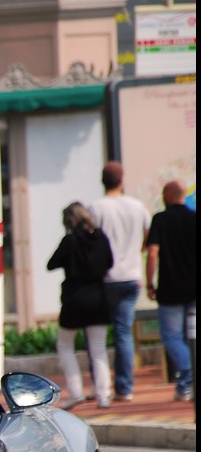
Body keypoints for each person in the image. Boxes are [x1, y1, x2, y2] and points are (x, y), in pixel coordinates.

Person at [89, 161, 152, 401]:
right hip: (131, 277)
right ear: (122, 180)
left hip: (105, 279)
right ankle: (124, 388)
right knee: (124, 332)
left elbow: (90, 240)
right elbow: (148, 237)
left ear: (102, 180)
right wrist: (138, 251)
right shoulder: (137, 207)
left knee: (98, 336)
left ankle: (101, 388)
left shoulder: (96, 208)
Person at [47, 202, 114, 409]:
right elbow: (110, 263)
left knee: (65, 345)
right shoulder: (101, 237)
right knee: (98, 349)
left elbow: (51, 264)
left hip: (74, 299)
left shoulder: (70, 241)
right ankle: (104, 395)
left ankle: (75, 392)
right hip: (98, 298)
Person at [145, 179, 196, 402]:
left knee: (172, 336)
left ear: (167, 195)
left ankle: (187, 376)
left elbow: (153, 252)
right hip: (193, 289)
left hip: (170, 289)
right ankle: (187, 379)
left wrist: (149, 282)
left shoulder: (160, 220)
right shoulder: (194, 218)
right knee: (191, 335)